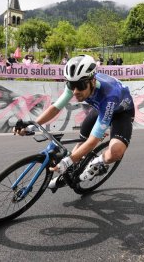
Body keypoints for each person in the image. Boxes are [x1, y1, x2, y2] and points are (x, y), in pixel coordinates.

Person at [15, 55, 135, 191]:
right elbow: (55, 108)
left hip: (121, 113)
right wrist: (32, 125)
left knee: (116, 152)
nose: (75, 91)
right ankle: (67, 174)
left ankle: (97, 163)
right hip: (100, 109)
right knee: (80, 143)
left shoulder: (109, 95)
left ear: (93, 82)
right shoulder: (76, 82)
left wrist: (66, 162)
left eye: (80, 86)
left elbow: (93, 141)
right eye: (71, 85)